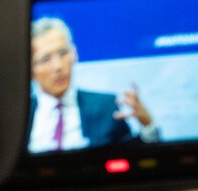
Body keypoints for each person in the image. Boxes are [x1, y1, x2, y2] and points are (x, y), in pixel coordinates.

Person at [29, 16, 159, 153]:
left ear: (74, 54)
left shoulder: (107, 107)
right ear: (29, 69)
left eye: (63, 53)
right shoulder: (17, 116)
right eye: (45, 59)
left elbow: (136, 159)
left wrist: (148, 125)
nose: (58, 66)